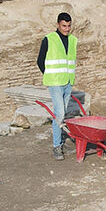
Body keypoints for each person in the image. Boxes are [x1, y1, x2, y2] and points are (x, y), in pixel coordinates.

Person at [37, 12, 78, 160]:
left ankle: (59, 140)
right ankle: (56, 146)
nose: (67, 29)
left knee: (62, 113)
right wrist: (49, 76)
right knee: (59, 114)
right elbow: (40, 61)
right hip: (55, 82)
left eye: (69, 26)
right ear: (58, 25)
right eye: (64, 26)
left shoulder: (73, 40)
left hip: (67, 81)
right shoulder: (49, 39)